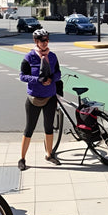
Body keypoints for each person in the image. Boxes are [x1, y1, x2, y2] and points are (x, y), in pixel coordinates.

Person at [18, 28, 61, 171]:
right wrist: (38, 79)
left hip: (50, 97)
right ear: (36, 41)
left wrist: (51, 79)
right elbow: (22, 76)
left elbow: (58, 73)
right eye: (42, 40)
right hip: (34, 98)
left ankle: (49, 154)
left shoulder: (53, 56)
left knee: (49, 128)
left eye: (47, 40)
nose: (45, 43)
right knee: (29, 129)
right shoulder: (29, 57)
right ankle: (22, 158)